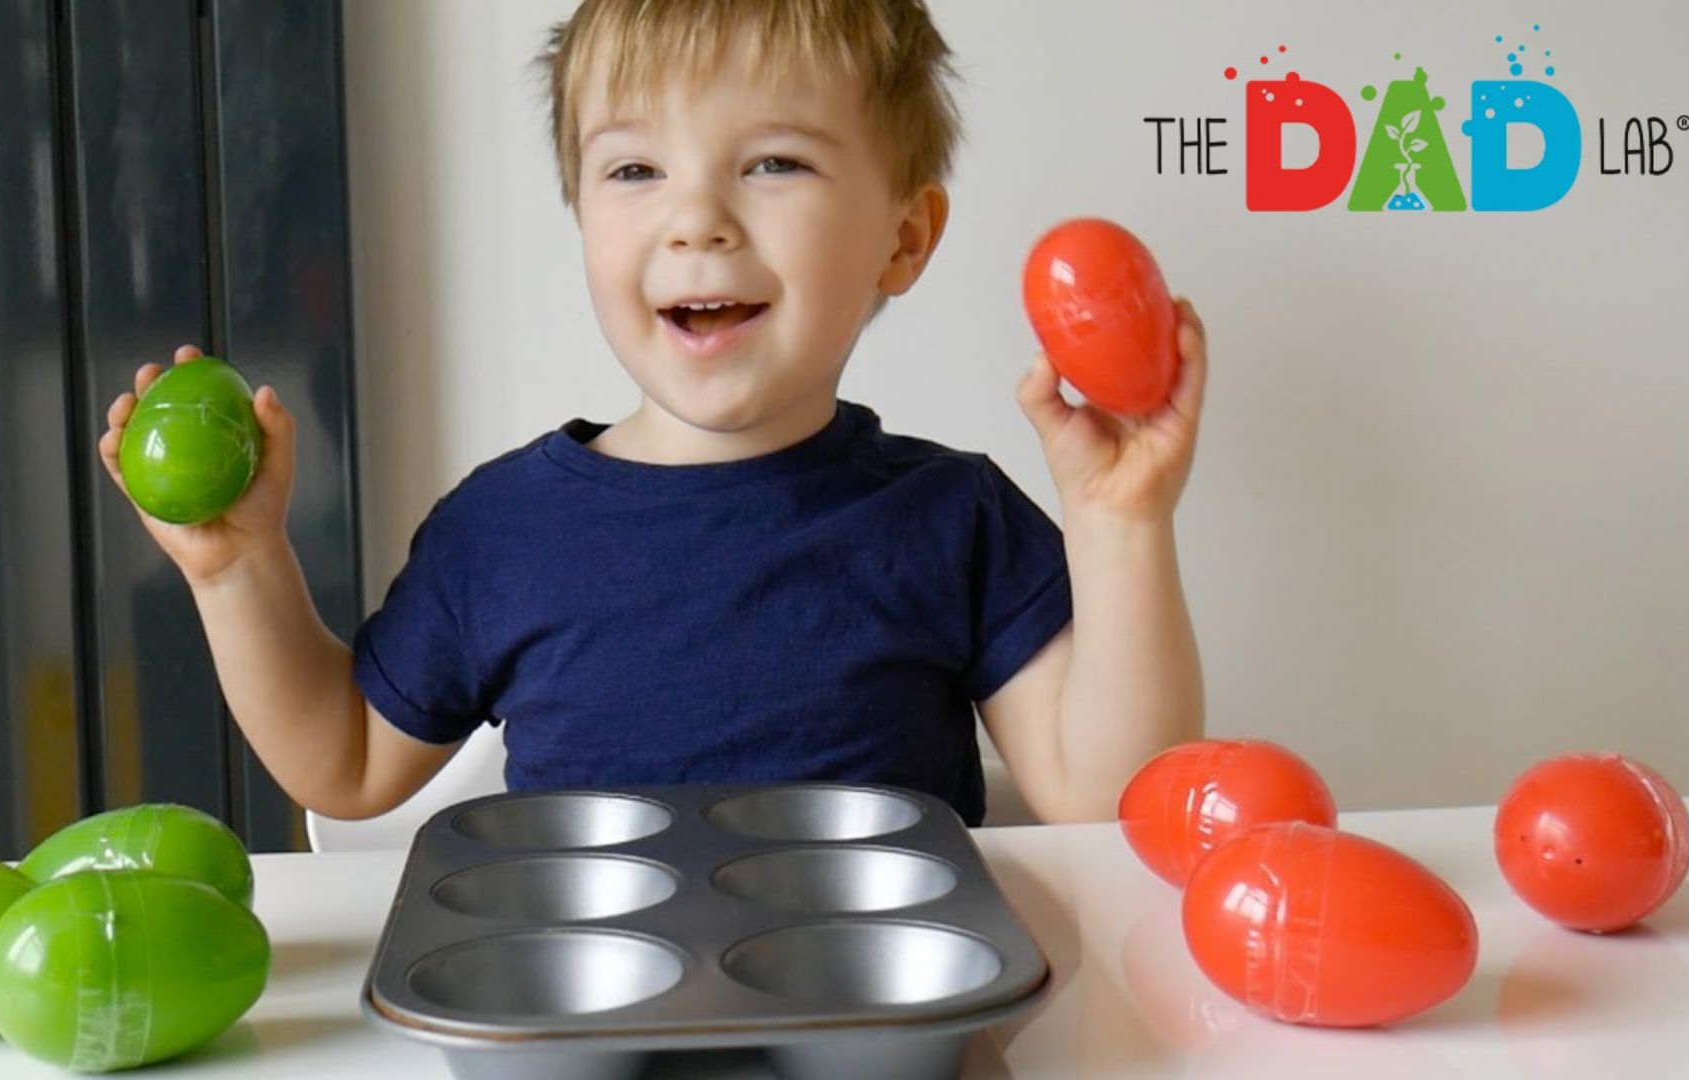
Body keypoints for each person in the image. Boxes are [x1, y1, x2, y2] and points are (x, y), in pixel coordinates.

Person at [97, 0, 1208, 827]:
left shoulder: (951, 516)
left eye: (773, 162)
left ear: (904, 239)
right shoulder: (502, 532)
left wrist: (1122, 524)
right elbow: (342, 765)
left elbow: (1114, 804)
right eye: (634, 170)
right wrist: (238, 571)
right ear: (580, 211)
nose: (696, 221)